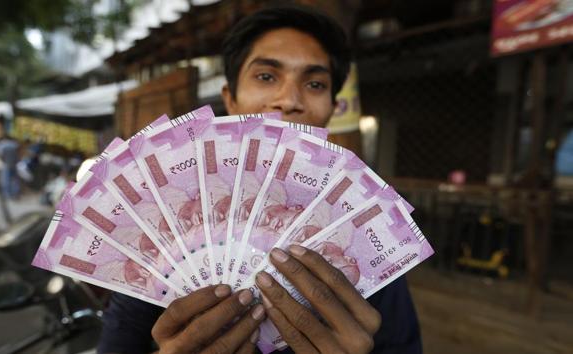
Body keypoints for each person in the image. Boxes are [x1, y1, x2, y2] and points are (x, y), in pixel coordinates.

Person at [99, 5, 422, 354]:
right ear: (231, 100)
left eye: (315, 83)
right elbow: (118, 342)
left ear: (331, 108)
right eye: (266, 76)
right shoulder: (168, 226)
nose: (289, 100)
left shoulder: (364, 237)